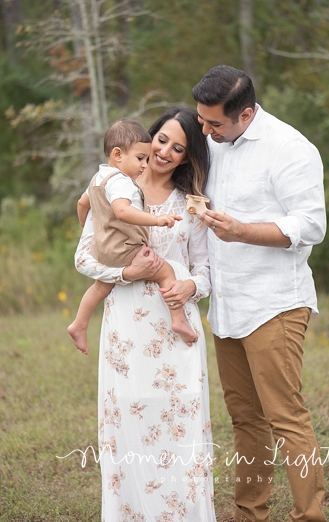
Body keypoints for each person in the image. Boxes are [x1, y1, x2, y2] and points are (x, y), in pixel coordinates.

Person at [192, 65, 327, 522]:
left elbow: (311, 225)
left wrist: (243, 231)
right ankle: (252, 515)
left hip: (274, 304)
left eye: (214, 124)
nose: (205, 131)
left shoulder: (290, 149)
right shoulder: (212, 143)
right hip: (226, 306)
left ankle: (309, 516)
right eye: (201, 120)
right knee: (244, 420)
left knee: (286, 419)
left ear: (246, 113)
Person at [75, 107, 215, 521]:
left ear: (189, 157)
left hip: (177, 328)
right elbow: (84, 258)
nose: (166, 151)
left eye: (179, 148)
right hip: (127, 327)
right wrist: (126, 272)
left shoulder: (192, 203)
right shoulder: (116, 189)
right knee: (131, 425)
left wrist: (191, 286)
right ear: (146, 139)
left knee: (180, 424)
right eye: (162, 140)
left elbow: (206, 270)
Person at [67, 119, 196, 355]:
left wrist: (90, 227)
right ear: (118, 154)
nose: (145, 165)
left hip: (105, 250)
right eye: (140, 159)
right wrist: (157, 220)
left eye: (145, 159)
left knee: (99, 287)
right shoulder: (120, 183)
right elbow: (123, 212)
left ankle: (79, 323)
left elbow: (81, 203)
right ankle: (178, 318)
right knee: (164, 270)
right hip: (125, 248)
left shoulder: (98, 179)